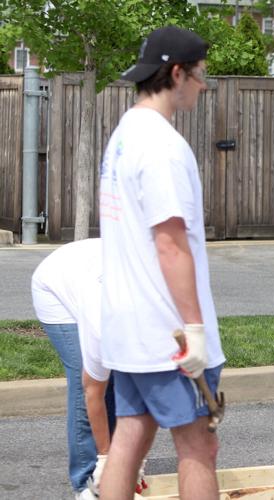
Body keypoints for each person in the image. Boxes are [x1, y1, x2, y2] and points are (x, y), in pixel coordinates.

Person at [98, 25, 226, 499]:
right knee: (199, 446)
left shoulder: (125, 135)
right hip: (167, 332)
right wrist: (194, 329)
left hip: (129, 327)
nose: (203, 86)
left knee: (130, 436)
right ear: (177, 74)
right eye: (200, 74)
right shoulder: (163, 147)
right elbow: (170, 244)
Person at [31, 238, 115, 500]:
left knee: (118, 378)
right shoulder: (99, 320)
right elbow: (92, 391)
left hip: (84, 272)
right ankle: (85, 480)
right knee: (85, 380)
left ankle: (116, 467)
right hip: (54, 288)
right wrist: (105, 457)